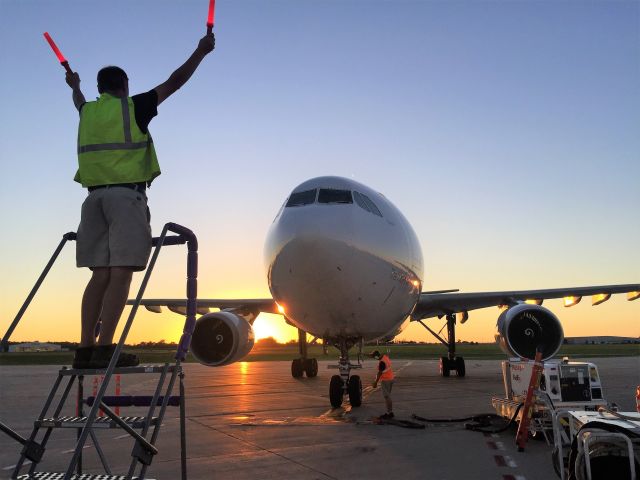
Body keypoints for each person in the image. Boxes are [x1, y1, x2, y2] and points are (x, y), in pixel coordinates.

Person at [67, 33, 215, 369]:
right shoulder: (133, 107)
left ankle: (85, 348)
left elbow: (77, 99)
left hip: (93, 202)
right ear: (123, 86)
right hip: (125, 198)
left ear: (100, 88)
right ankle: (105, 349)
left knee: (99, 276)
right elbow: (175, 82)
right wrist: (200, 52)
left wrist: (73, 84)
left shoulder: (87, 111)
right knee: (121, 274)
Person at [370, 350, 395, 419]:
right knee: (388, 396)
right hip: (391, 378)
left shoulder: (382, 363)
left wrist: (375, 383)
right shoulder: (385, 357)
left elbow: (379, 373)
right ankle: (389, 412)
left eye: (374, 357)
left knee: (387, 397)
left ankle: (389, 413)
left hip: (386, 380)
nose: (375, 359)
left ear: (376, 356)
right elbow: (376, 355)